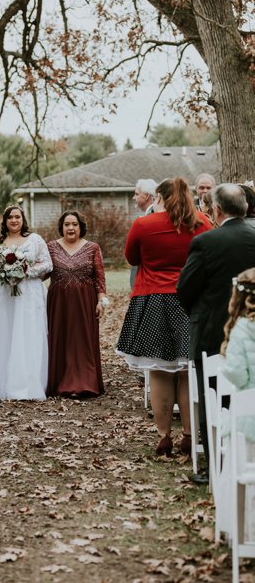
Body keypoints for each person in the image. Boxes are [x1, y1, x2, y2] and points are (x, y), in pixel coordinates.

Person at [117, 177, 211, 459]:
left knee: (159, 370)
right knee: (185, 371)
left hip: (153, 298)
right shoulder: (202, 223)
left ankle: (163, 436)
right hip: (189, 299)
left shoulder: (143, 225)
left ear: (159, 197)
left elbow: (132, 258)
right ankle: (188, 435)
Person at [177, 183, 255, 483]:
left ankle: (217, 468)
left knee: (213, 397)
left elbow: (185, 288)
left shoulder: (206, 242)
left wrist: (202, 311)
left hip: (214, 331)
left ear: (217, 210)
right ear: (245, 209)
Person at [0, 205, 52, 401]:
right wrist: (2, 273)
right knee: (5, 332)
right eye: (10, 217)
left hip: (28, 293)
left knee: (27, 333)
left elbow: (47, 264)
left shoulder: (35, 240)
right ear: (5, 221)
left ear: (23, 219)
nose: (14, 220)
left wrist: (25, 271)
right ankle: (2, 379)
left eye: (17, 217)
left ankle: (27, 381)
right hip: (3, 294)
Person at [45, 211, 107, 398]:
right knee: (61, 339)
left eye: (74, 224)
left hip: (84, 301)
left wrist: (101, 301)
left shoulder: (92, 248)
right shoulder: (51, 247)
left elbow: (99, 277)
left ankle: (86, 383)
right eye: (66, 224)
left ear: (81, 227)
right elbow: (42, 273)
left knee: (83, 341)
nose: (70, 228)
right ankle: (60, 382)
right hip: (59, 302)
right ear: (61, 227)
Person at [220, 268, 255, 538]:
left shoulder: (241, 329)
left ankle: (244, 533)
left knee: (245, 479)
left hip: (248, 421)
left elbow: (235, 372)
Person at [131, 179, 157, 288]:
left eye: (137, 194)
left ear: (146, 196)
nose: (134, 197)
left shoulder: (153, 216)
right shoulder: (147, 215)